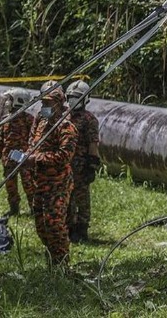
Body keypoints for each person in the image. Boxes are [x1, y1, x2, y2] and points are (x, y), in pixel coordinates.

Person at [28, 86, 78, 265]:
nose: (44, 106)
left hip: (57, 184)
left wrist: (37, 159)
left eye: (47, 103)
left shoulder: (66, 127)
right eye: (42, 102)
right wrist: (23, 158)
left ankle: (62, 264)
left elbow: (64, 156)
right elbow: (32, 146)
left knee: (54, 225)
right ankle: (52, 258)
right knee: (41, 225)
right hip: (39, 183)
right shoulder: (42, 124)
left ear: (58, 104)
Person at [0, 88, 35, 216]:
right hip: (8, 158)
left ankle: (34, 208)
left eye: (9, 99)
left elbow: (34, 139)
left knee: (28, 184)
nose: (7, 103)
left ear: (18, 101)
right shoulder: (5, 119)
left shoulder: (29, 119)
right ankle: (14, 208)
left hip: (24, 158)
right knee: (10, 185)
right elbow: (1, 140)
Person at [65, 80, 101, 243]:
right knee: (67, 197)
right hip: (65, 165)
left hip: (80, 166)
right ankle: (70, 226)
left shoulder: (89, 119)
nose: (73, 101)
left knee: (82, 198)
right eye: (71, 97)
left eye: (77, 98)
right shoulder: (64, 117)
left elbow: (93, 143)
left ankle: (82, 228)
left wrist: (91, 166)